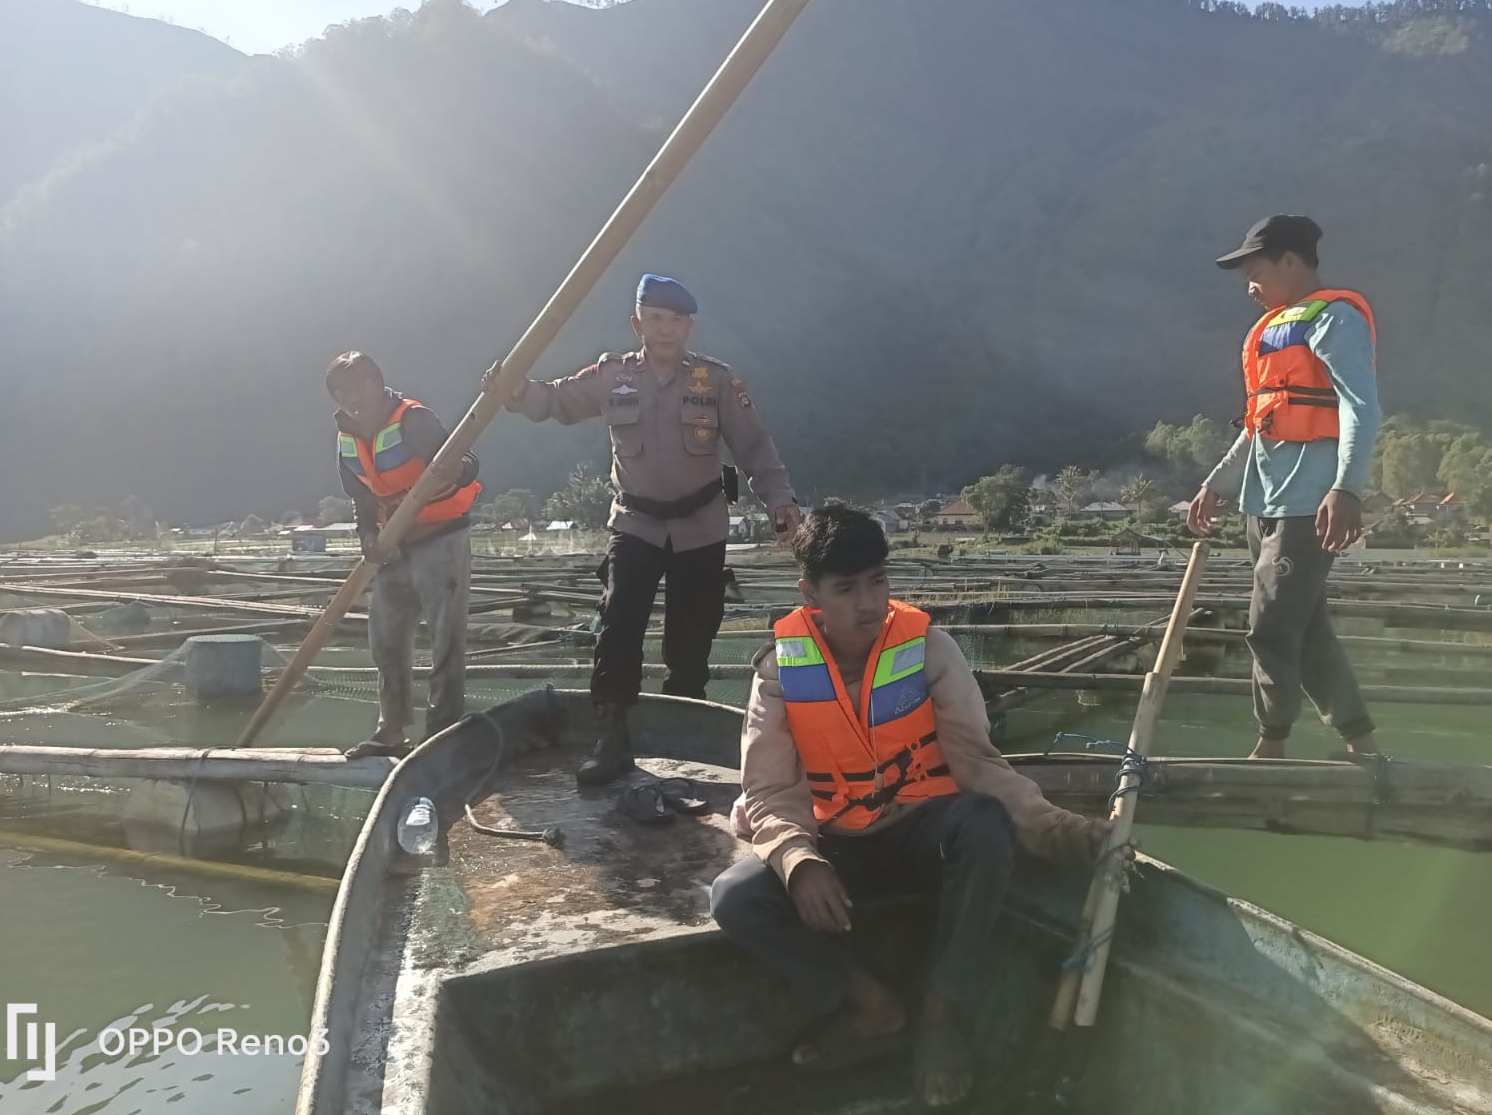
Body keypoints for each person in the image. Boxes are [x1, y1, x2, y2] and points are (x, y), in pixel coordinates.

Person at [709, 503, 1109, 1109]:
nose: (867, 603)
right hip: (838, 848)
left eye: (878, 581)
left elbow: (979, 764)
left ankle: (941, 1015)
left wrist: (1057, 829)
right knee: (734, 897)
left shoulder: (930, 649)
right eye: (846, 588)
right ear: (810, 593)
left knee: (984, 825)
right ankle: (872, 1004)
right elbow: (768, 791)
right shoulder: (778, 672)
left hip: (923, 834)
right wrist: (799, 862)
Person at [484, 273, 800, 786]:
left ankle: (684, 729)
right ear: (637, 324)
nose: (666, 329)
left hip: (700, 524)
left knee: (691, 635)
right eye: (655, 319)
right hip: (634, 522)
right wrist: (517, 392)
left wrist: (779, 501)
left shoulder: (716, 381)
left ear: (690, 327)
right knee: (618, 624)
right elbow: (559, 400)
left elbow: (754, 447)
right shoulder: (612, 375)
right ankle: (612, 738)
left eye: (675, 320)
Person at [1186, 215, 1382, 760]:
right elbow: (1259, 424)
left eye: (1256, 270)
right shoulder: (1273, 332)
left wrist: (1346, 488)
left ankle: (1269, 746)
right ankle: (1361, 743)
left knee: (1269, 626)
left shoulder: (1334, 319)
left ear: (1291, 261)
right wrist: (1216, 485)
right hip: (1265, 502)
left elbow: (1361, 408)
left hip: (1309, 507)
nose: (1249, 284)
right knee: (1308, 630)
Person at [327, 351, 481, 759]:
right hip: (395, 546)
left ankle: (442, 731)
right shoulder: (345, 437)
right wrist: (367, 535)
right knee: (386, 639)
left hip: (442, 538)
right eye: (343, 392)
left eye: (360, 387)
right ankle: (390, 730)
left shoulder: (414, 419)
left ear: (379, 385)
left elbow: (465, 460)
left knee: (446, 638)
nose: (353, 398)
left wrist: (455, 471)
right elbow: (361, 498)